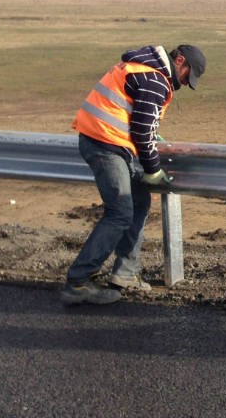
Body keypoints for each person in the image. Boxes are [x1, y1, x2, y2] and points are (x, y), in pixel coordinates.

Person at [61, 44, 206, 306]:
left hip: (104, 141)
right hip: (106, 144)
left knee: (139, 202)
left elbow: (135, 118)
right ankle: (79, 282)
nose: (185, 83)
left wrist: (148, 137)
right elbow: (141, 129)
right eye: (187, 75)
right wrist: (153, 168)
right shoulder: (155, 79)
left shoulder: (141, 68)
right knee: (120, 212)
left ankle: (126, 273)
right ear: (179, 61)